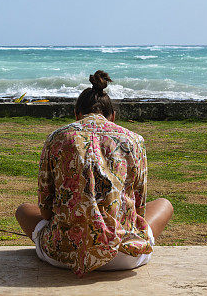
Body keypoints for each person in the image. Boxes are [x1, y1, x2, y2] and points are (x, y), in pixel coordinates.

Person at [16, 70, 173, 277]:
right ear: (113, 117)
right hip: (125, 255)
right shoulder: (134, 140)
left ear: (76, 114)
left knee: (23, 210)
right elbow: (139, 211)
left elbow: (45, 213)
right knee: (164, 204)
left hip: (66, 254)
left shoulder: (57, 138)